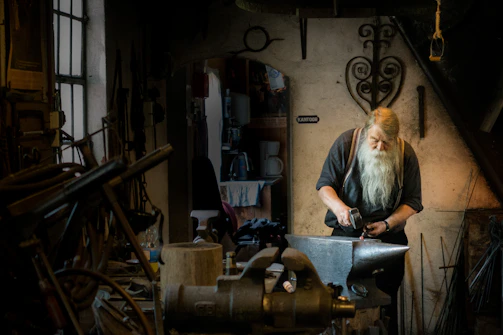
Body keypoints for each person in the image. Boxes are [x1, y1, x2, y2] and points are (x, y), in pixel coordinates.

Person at [316, 107, 423, 335]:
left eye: (387, 142)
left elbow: (413, 202)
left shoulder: (406, 154)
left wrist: (387, 224)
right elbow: (324, 187)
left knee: (384, 304)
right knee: (341, 303)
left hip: (388, 239)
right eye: (374, 140)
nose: (380, 148)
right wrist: (340, 208)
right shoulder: (346, 143)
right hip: (346, 238)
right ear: (365, 133)